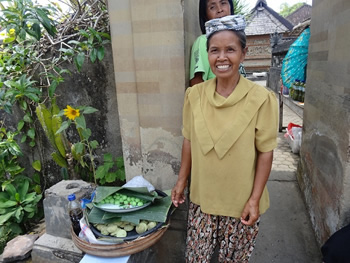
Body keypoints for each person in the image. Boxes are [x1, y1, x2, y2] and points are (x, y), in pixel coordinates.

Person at [172, 15, 278, 262]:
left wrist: (254, 200)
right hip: (203, 199)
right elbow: (188, 140)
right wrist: (181, 181)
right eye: (214, 50)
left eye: (230, 49)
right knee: (196, 257)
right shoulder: (194, 96)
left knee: (233, 259)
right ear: (207, 56)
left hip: (241, 202)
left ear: (244, 53)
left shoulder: (261, 99)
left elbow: (266, 151)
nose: (221, 57)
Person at [190, 0, 246, 87]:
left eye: (223, 3)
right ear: (205, 15)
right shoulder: (203, 41)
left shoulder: (237, 38)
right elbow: (197, 83)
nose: (220, 10)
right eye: (212, 7)